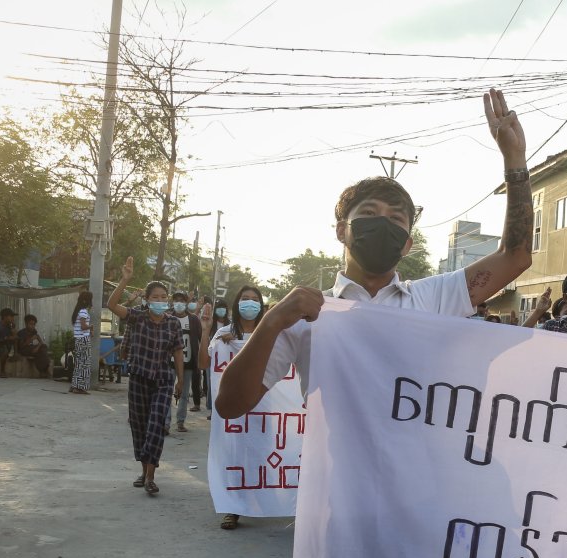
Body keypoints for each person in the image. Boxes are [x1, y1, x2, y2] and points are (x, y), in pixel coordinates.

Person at [216, 87, 533, 419]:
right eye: (369, 214)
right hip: (334, 473)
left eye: (396, 218)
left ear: (407, 243)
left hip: (417, 471)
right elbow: (230, 405)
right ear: (342, 230)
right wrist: (272, 321)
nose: (383, 223)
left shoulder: (432, 299)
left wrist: (515, 160)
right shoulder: (307, 316)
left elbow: (516, 256)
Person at [107, 257, 185, 496]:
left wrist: (181, 380)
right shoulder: (137, 317)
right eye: (155, 297)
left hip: (163, 380)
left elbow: (178, 351)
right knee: (139, 427)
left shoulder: (173, 323)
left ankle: (151, 477)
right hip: (139, 379)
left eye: (163, 297)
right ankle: (144, 471)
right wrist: (125, 279)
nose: (160, 301)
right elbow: (112, 305)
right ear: (146, 299)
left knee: (156, 426)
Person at [199, 285, 266, 531]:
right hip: (235, 405)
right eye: (245, 299)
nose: (250, 304)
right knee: (234, 454)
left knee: (261, 452)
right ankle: (232, 508)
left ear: (261, 305)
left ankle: (258, 499)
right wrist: (208, 332)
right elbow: (203, 363)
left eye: (254, 300)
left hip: (263, 405)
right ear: (237, 304)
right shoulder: (224, 333)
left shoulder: (269, 333)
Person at [165, 291, 201, 432]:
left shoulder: (193, 320)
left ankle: (180, 421)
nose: (179, 303)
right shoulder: (167, 317)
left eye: (182, 300)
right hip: (169, 362)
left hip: (188, 362)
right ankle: (166, 423)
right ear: (172, 302)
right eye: (176, 300)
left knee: (184, 393)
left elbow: (200, 337)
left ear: (186, 303)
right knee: (167, 392)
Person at [70, 291, 95, 393]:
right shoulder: (84, 311)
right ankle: (80, 387)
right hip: (84, 339)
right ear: (87, 300)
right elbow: (83, 326)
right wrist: (91, 327)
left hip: (78, 339)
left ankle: (74, 385)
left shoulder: (78, 311)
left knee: (79, 363)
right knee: (85, 364)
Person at [0, 308, 17, 377]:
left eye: (13, 316)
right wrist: (5, 339)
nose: (13, 318)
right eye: (11, 316)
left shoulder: (10, 326)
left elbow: (15, 339)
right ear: (5, 317)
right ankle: (2, 371)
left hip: (7, 347)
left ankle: (16, 354)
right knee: (4, 350)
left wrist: (14, 332)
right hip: (0, 347)